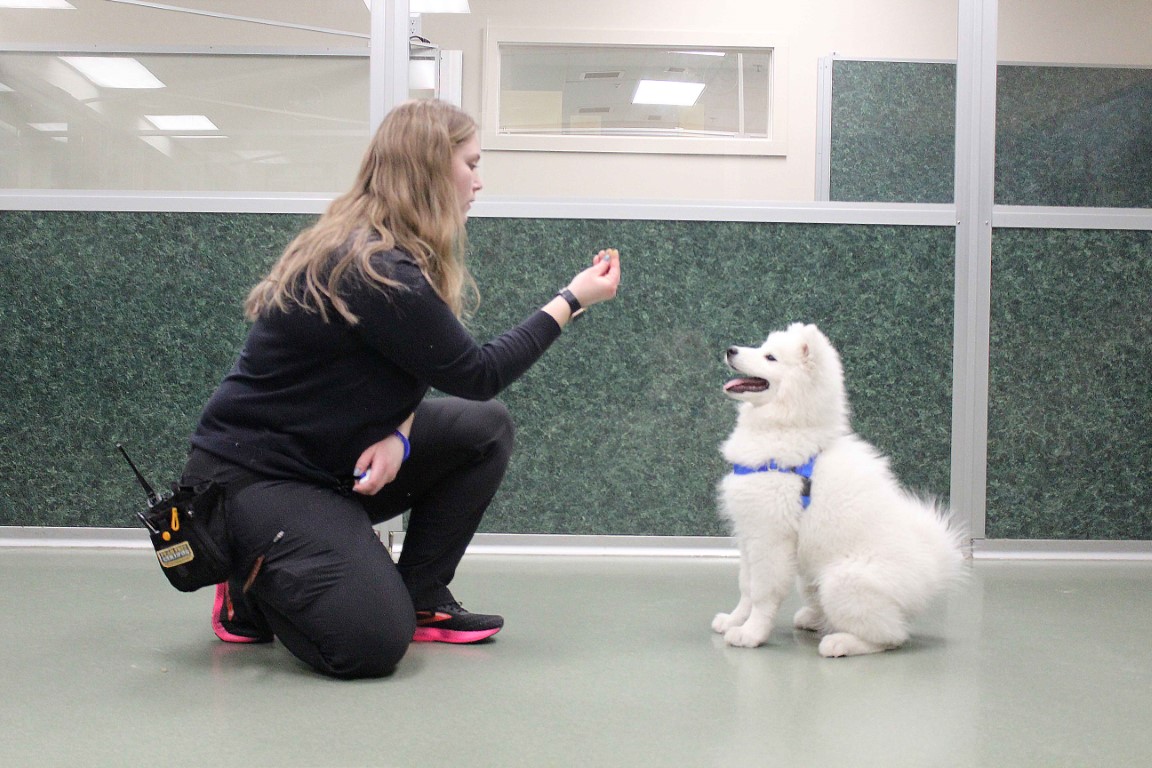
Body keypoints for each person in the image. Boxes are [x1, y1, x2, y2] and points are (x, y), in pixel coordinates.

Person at [179, 99, 621, 679]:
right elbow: (476, 372)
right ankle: (250, 586)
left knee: (483, 429)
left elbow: (405, 368)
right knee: (369, 645)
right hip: (251, 481)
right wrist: (571, 301)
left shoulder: (387, 254)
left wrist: (401, 436)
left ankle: (419, 592)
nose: (479, 181)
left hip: (327, 466)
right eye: (471, 163)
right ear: (432, 172)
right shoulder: (372, 266)